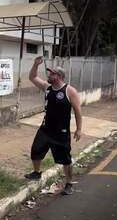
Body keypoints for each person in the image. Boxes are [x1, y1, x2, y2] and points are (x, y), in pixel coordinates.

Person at [25, 56, 82, 195]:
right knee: (36, 151)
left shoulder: (70, 91)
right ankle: (37, 172)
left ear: (59, 76)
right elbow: (32, 77)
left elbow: (78, 111)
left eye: (52, 74)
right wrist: (35, 64)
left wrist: (79, 129)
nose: (49, 75)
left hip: (61, 132)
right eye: (49, 73)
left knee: (65, 159)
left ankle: (69, 183)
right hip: (45, 129)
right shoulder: (47, 88)